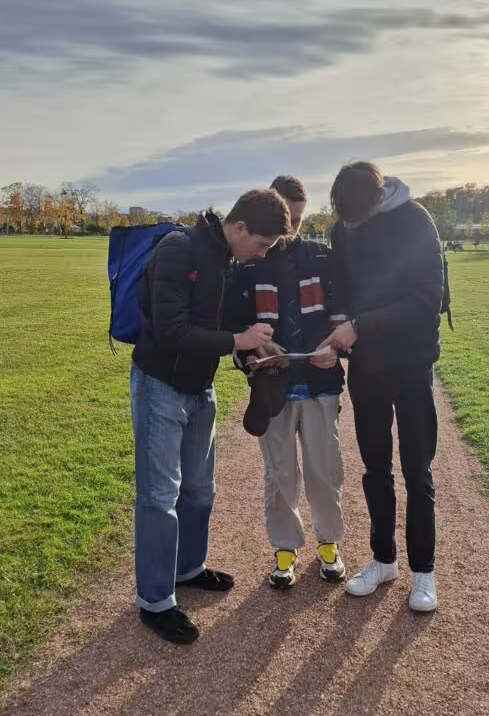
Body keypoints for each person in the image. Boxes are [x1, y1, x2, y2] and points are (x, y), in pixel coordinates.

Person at [131, 190, 291, 644]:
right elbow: (171, 330)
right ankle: (155, 601)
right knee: (159, 497)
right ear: (239, 228)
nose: (262, 252)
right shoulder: (179, 248)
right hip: (159, 385)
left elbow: (225, 330)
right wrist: (238, 339)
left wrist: (255, 351)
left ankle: (188, 568)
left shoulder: (229, 262)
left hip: (200, 389)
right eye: (261, 243)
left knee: (200, 491)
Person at [320, 161, 444, 613]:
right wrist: (336, 326)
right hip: (367, 366)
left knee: (417, 471)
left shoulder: (415, 220)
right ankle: (383, 559)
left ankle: (424, 572)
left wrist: (361, 325)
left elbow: (427, 299)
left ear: (376, 200)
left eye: (355, 217)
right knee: (375, 468)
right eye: (344, 218)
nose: (348, 226)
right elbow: (344, 291)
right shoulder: (344, 228)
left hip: (411, 362)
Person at [229, 175, 347, 589]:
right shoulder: (248, 263)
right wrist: (254, 351)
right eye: (287, 218)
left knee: (323, 469)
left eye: (298, 218)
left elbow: (342, 315)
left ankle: (329, 545)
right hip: (272, 390)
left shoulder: (321, 257)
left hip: (321, 384)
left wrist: (335, 349)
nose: (291, 229)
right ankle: (284, 549)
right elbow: (235, 328)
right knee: (279, 473)